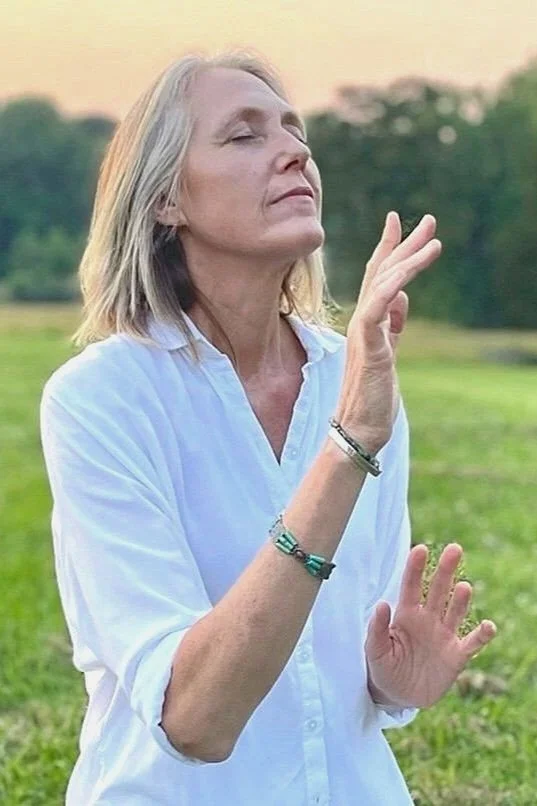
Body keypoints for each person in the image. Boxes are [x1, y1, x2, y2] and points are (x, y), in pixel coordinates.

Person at [39, 51, 496, 806]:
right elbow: (194, 719)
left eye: (295, 132)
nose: (295, 152)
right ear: (164, 201)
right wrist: (347, 445)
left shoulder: (355, 377)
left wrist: (391, 677)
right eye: (243, 136)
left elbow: (359, 646)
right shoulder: (100, 401)